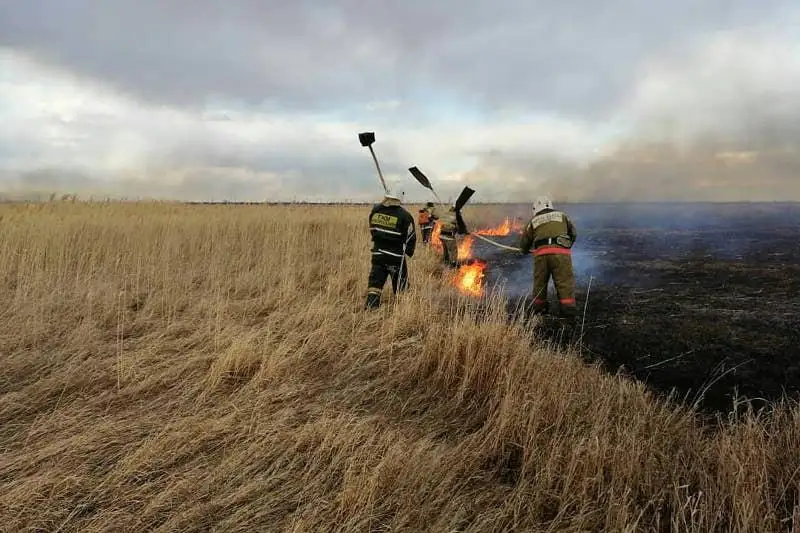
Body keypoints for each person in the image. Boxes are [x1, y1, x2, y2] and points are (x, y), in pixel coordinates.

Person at [519, 196, 578, 319]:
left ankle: (539, 311)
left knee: (540, 283)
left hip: (541, 256)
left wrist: (524, 250)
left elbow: (525, 241)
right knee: (564, 282)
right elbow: (573, 233)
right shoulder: (562, 216)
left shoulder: (533, 221)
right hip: (561, 255)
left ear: (535, 209)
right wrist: (566, 246)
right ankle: (568, 312)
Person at [365, 190, 417, 309]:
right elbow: (411, 236)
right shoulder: (405, 215)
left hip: (378, 254)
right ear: (400, 198)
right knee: (401, 286)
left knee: (375, 284)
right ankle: (402, 310)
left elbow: (372, 229)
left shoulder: (376, 210)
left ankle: (371, 307)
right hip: (396, 257)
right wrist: (409, 250)